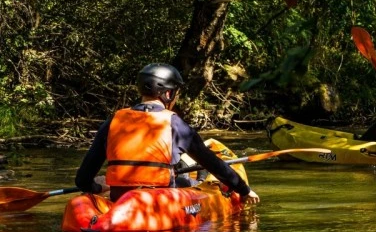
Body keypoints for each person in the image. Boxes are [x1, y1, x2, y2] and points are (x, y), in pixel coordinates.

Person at [75, 63, 260, 204]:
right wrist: (243, 190)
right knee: (188, 182)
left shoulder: (113, 121)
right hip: (161, 201)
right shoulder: (174, 123)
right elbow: (212, 163)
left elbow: (82, 179)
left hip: (119, 198)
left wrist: (97, 187)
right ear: (168, 94)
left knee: (180, 177)